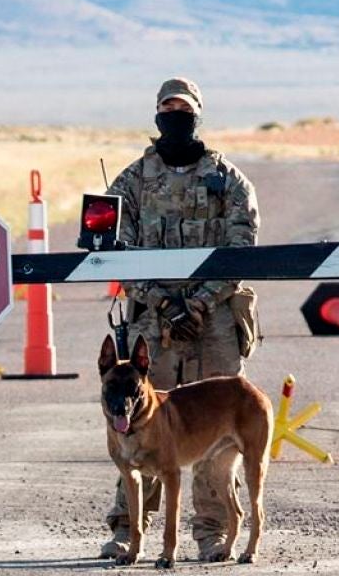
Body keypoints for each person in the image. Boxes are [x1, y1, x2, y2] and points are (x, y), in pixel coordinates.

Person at [99, 76, 261, 562]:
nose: (175, 116)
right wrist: (163, 304)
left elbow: (241, 250)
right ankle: (129, 529)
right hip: (154, 325)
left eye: (183, 108)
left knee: (216, 436)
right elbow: (114, 250)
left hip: (212, 325)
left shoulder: (228, 180)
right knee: (136, 429)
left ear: (197, 115)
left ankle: (212, 531)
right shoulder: (131, 181)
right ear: (156, 115)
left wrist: (199, 304)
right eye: (168, 108)